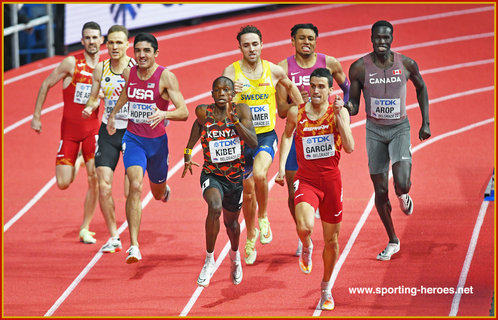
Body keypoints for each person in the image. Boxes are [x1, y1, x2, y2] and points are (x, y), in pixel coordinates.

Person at [346, 20, 431, 261]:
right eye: (377, 38)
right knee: (380, 190)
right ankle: (393, 239)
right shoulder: (359, 68)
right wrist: (345, 108)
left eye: (386, 38)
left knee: (401, 184)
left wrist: (425, 122)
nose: (381, 42)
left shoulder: (406, 64)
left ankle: (404, 196)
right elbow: (354, 104)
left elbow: (421, 88)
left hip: (399, 129)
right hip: (374, 131)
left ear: (391, 39)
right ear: (371, 38)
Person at [222, 25, 303, 265]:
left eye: (254, 44)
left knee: (259, 174)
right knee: (247, 194)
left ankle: (264, 217)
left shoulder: (273, 70)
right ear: (240, 48)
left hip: (265, 136)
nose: (251, 49)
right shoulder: (231, 71)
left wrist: (302, 111)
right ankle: (251, 235)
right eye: (246, 45)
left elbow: (291, 88)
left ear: (261, 45)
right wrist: (229, 95)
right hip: (241, 139)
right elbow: (221, 105)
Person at [275, 68, 354, 310]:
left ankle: (326, 289)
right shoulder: (296, 113)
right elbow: (287, 136)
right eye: (313, 85)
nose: (316, 90)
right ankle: (306, 245)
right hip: (306, 180)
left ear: (331, 90)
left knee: (331, 240)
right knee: (305, 227)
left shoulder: (338, 113)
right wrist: (281, 167)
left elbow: (349, 147)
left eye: (321, 86)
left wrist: (341, 116)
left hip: (331, 182)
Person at [106, 32, 189, 264]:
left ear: (156, 53)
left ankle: (164, 190)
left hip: (157, 144)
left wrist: (165, 113)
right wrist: (113, 115)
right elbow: (126, 93)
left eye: (146, 51)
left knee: (156, 192)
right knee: (134, 185)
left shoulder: (166, 77)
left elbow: (184, 111)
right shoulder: (129, 72)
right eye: (138, 51)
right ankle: (134, 245)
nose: (141, 55)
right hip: (133, 139)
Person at [276, 23, 350, 257]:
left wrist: (343, 110)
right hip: (299, 136)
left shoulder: (330, 63)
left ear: (316, 40)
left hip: (323, 136)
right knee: (291, 193)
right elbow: (280, 110)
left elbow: (347, 89)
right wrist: (300, 104)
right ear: (293, 41)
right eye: (301, 38)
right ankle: (302, 235)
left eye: (310, 38)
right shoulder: (282, 68)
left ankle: (316, 210)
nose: (306, 42)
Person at [31, 21, 104, 244]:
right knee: (63, 183)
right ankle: (78, 160)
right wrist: (36, 116)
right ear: (82, 41)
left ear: (102, 40)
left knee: (95, 180)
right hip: (69, 133)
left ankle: (84, 228)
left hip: (92, 130)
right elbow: (45, 84)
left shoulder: (105, 68)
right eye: (88, 38)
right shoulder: (72, 63)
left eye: (95, 37)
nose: (92, 41)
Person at [182, 76, 257, 287]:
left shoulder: (241, 110)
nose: (222, 93)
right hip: (211, 174)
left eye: (226, 90)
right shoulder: (203, 112)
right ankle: (209, 260)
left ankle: (234, 257)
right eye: (218, 90)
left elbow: (253, 141)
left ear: (232, 94)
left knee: (232, 225)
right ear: (212, 93)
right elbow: (198, 125)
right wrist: (188, 150)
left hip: (235, 178)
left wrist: (235, 123)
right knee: (214, 207)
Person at [83, 25, 135, 253]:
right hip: (108, 132)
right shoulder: (100, 69)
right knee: (103, 186)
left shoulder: (136, 68)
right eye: (111, 43)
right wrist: (90, 106)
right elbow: (94, 99)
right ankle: (114, 236)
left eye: (119, 43)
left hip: (133, 131)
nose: (114, 47)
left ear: (127, 45)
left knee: (129, 190)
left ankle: (159, 186)